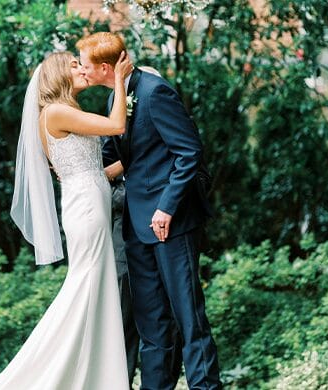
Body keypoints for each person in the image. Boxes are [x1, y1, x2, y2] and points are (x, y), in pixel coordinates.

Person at [77, 32, 222, 390]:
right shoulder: (116, 95)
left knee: (190, 319)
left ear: (105, 68)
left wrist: (166, 208)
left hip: (170, 224)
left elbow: (188, 153)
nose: (81, 69)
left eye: (85, 64)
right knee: (152, 324)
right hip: (136, 227)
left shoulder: (156, 92)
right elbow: (118, 160)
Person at [0, 50, 134, 390]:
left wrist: (137, 160)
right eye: (74, 65)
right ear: (57, 75)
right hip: (86, 208)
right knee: (85, 286)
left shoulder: (66, 112)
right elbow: (116, 125)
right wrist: (120, 81)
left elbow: (96, 170)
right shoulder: (55, 112)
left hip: (89, 201)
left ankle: (97, 378)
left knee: (96, 286)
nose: (82, 68)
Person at [103, 65, 183, 388]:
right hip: (124, 225)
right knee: (122, 315)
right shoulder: (112, 108)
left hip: (163, 224)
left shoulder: (162, 110)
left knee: (167, 319)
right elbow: (108, 160)